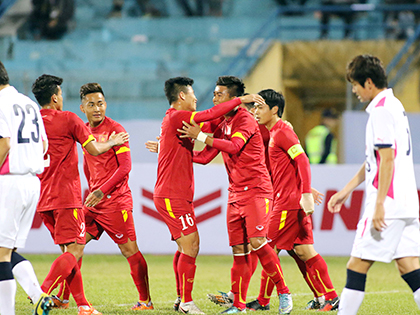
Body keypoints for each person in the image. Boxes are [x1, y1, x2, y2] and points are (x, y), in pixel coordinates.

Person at [178, 76, 293, 314]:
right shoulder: (221, 121)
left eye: (220, 94)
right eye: (215, 93)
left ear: (233, 99)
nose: (215, 98)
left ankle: (283, 293)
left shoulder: (245, 120)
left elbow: (233, 147)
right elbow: (207, 156)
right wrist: (177, 153)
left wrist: (200, 136)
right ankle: (238, 305)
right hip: (235, 193)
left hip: (257, 191)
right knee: (239, 252)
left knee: (258, 243)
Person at [151, 76, 263, 314]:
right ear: (182, 96)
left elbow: (203, 155)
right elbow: (210, 114)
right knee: (191, 245)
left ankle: (182, 298)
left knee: (186, 247)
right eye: (193, 94)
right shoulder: (178, 115)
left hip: (180, 194)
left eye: (216, 94)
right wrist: (242, 100)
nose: (198, 99)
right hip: (172, 195)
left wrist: (168, 148)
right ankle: (186, 303)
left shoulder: (181, 120)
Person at [327, 54, 420, 314]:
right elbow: (378, 159)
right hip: (406, 204)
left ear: (368, 83)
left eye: (355, 85)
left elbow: (387, 161)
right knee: (409, 266)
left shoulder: (380, 111)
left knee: (356, 266)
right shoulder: (394, 104)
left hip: (387, 205)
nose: (354, 90)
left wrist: (379, 205)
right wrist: (347, 190)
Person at [32, 74, 129, 315]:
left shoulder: (30, 121)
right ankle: (40, 293)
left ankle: (83, 305)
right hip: (66, 197)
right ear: (55, 98)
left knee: (70, 253)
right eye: (61, 95)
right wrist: (113, 142)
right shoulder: (68, 119)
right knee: (75, 251)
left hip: (42, 197)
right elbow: (94, 150)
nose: (62, 99)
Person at [250, 89, 339, 311]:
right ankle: (329, 297)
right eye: (255, 107)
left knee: (266, 247)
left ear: (274, 109)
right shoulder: (277, 131)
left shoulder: (282, 132)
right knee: (303, 250)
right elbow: (289, 168)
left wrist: (306, 194)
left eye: (260, 107)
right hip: (292, 198)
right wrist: (305, 188)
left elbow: (303, 161)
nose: (256, 111)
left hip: (288, 203)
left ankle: (262, 302)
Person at [79, 82, 153, 311]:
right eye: (91, 104)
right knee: (74, 244)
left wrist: (102, 190)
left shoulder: (116, 130)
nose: (97, 108)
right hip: (93, 202)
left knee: (129, 250)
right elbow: (87, 164)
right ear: (83, 108)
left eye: (100, 103)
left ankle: (145, 301)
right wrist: (92, 188)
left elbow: (125, 167)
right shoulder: (83, 129)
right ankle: (62, 297)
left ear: (106, 104)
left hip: (114, 201)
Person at [0, 61, 53, 315]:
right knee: (6, 250)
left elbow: (5, 143)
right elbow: (44, 145)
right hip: (32, 182)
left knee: (2, 254)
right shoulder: (29, 103)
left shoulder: (0, 103)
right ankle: (36, 294)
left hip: (9, 180)